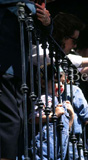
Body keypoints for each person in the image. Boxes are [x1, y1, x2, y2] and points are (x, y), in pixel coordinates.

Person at [0, 1, 51, 159]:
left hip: (18, 72)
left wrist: (47, 23)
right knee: (11, 123)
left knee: (18, 123)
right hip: (5, 69)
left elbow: (41, 41)